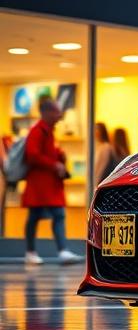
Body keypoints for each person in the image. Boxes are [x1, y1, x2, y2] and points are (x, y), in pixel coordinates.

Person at [22, 98, 82, 266]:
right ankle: (33, 251)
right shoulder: (37, 131)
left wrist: (59, 156)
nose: (59, 115)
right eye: (56, 111)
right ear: (46, 112)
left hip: (49, 185)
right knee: (38, 216)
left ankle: (55, 250)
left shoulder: (49, 131)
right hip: (40, 185)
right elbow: (32, 155)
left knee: (55, 215)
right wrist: (54, 164)